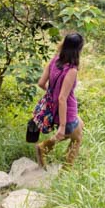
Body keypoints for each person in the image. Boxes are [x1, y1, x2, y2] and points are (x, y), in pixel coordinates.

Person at [33, 32, 84, 168]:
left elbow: (41, 83)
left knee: (79, 126)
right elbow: (62, 98)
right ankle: (65, 170)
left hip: (54, 110)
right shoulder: (72, 70)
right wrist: (61, 127)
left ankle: (46, 147)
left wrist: (52, 94)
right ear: (78, 49)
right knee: (76, 138)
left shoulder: (54, 60)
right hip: (66, 111)